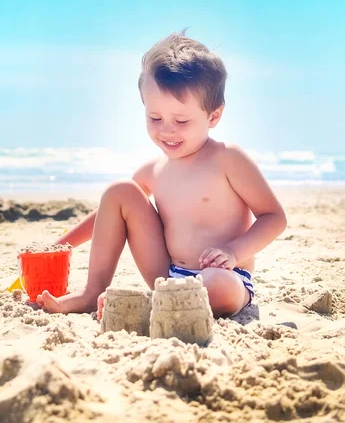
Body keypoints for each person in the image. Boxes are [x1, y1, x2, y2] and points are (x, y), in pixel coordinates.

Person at [36, 31, 287, 318]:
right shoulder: (154, 170)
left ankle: (151, 305)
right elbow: (108, 214)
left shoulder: (228, 159)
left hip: (225, 275)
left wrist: (233, 252)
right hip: (167, 275)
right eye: (155, 118)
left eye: (181, 120)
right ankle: (92, 293)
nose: (166, 130)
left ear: (214, 117)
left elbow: (274, 217)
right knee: (120, 190)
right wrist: (60, 245)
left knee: (217, 286)